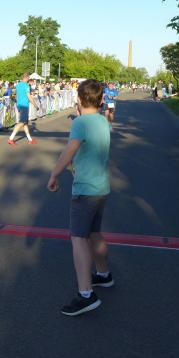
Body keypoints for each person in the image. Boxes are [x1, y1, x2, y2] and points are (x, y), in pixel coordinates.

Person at [47, 79, 113, 316]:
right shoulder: (103, 120)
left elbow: (70, 150)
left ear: (78, 99)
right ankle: (103, 274)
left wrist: (54, 174)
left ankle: (86, 294)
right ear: (102, 99)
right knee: (94, 233)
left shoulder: (80, 122)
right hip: (101, 186)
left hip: (85, 189)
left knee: (78, 238)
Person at [7, 72, 39, 145]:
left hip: (19, 104)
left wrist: (18, 103)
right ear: (27, 77)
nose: (29, 79)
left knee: (25, 123)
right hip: (24, 105)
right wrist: (35, 105)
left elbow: (16, 95)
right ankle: (11, 138)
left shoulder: (18, 85)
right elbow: (29, 96)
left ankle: (30, 139)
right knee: (21, 122)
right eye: (29, 78)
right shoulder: (26, 85)